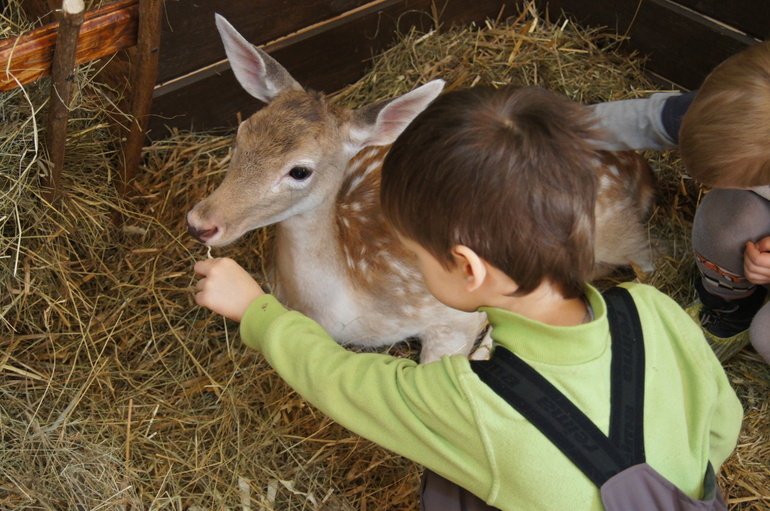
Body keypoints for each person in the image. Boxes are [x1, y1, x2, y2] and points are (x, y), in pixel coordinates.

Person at [194, 85, 742, 510]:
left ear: (468, 270)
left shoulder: (467, 401)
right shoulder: (657, 312)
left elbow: (341, 383)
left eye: (416, 252)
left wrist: (257, 312)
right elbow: (723, 425)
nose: (409, 259)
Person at [588, 40, 770, 364]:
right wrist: (557, 130)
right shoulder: (733, 110)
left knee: (765, 337)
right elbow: (644, 120)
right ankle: (730, 312)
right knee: (723, 219)